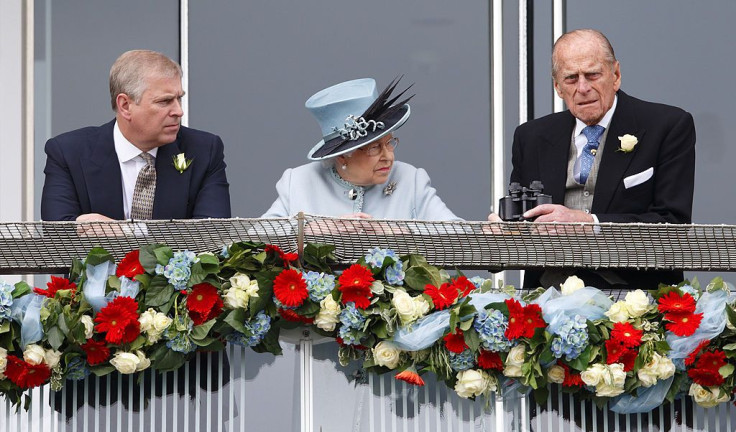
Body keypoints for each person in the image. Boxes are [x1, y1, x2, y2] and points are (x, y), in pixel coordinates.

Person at [490, 29, 695, 289]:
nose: (583, 88)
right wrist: (504, 237)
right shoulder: (530, 136)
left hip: (635, 299)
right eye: (571, 78)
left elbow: (673, 226)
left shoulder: (667, 126)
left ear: (616, 75)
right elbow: (524, 228)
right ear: (557, 86)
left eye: (593, 75)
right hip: (546, 299)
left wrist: (590, 223)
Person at [41, 49, 230, 222]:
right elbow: (58, 235)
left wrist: (124, 231)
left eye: (179, 98)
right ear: (125, 105)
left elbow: (210, 238)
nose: (178, 111)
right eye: (165, 101)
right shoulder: (68, 153)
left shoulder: (204, 150)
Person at [262, 77, 459, 221]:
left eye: (389, 143)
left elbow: (456, 234)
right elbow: (257, 240)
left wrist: (393, 232)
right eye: (375, 147)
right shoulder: (298, 182)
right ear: (342, 157)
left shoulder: (410, 180)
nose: (388, 156)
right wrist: (317, 231)